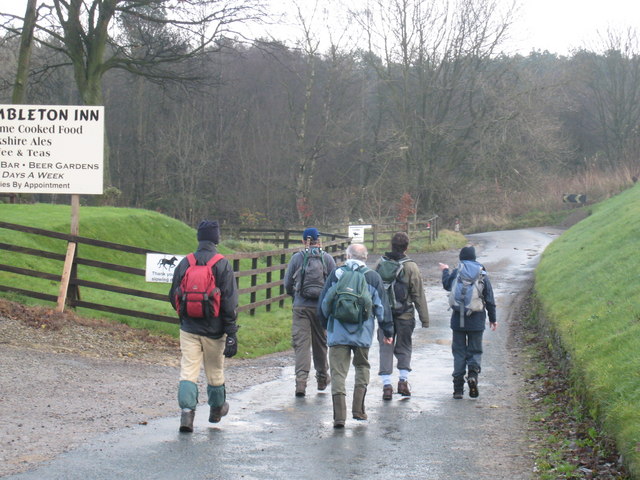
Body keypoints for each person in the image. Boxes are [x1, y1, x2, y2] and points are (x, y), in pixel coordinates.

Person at [169, 220, 239, 432]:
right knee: (215, 370)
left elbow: (173, 296)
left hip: (189, 329)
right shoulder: (222, 264)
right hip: (214, 330)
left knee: (188, 370)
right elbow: (229, 302)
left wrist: (185, 315)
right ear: (216, 238)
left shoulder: (185, 262)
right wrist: (231, 332)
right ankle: (216, 410)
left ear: (199, 238)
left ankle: (187, 415)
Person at [318, 243, 394, 428]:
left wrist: (325, 325)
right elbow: (381, 306)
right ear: (365, 258)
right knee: (362, 367)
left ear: (347, 256)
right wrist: (388, 330)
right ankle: (358, 411)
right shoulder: (373, 277)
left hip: (337, 332)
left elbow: (323, 303)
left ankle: (339, 418)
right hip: (363, 333)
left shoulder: (337, 274)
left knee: (338, 372)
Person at [376, 232, 430, 399]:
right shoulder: (411, 267)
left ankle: (386, 386)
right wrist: (424, 318)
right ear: (407, 247)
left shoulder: (380, 264)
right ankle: (403, 382)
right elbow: (418, 294)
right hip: (405, 314)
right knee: (404, 346)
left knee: (385, 348)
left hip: (385, 316)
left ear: (391, 246)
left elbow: (373, 289)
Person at [438, 246, 497, 399]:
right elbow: (489, 298)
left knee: (459, 353)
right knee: (475, 350)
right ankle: (472, 375)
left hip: (458, 320)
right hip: (476, 320)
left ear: (461, 258)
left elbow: (446, 285)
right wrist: (493, 319)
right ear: (474, 258)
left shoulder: (458, 271)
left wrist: (445, 270)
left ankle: (458, 389)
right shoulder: (481, 273)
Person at [284, 227, 336, 397]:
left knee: (301, 345)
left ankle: (301, 382)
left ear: (303, 241)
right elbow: (334, 283)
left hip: (300, 307)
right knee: (321, 343)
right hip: (320, 308)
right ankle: (322, 378)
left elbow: (287, 284)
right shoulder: (327, 259)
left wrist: (295, 296)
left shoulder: (297, 258)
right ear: (318, 240)